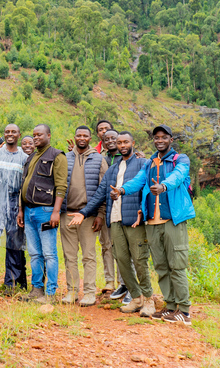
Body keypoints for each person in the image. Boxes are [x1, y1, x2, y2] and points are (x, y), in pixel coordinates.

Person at [113, 125, 195, 325]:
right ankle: (170, 306)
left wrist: (164, 185)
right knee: (161, 266)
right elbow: (139, 181)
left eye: (163, 137)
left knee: (177, 265)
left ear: (171, 139)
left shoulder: (180, 159)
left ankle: (183, 311)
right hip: (152, 222)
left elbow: (178, 176)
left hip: (172, 221)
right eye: (156, 138)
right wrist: (122, 190)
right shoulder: (150, 162)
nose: (159, 140)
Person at [68, 131, 154, 316]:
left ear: (132, 143)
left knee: (139, 260)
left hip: (134, 221)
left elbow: (146, 189)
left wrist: (143, 211)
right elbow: (100, 192)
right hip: (115, 220)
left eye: (125, 142)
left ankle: (149, 300)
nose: (122, 145)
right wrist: (84, 213)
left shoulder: (142, 163)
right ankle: (136, 297)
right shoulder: (113, 168)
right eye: (119, 142)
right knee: (121, 260)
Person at [17, 124, 67, 304]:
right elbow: (24, 184)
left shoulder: (57, 156)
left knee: (49, 253)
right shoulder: (32, 156)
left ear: (49, 135)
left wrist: (56, 211)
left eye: (40, 135)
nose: (36, 137)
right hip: (29, 211)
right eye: (34, 135)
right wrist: (21, 210)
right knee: (34, 253)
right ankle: (36, 290)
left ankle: (51, 293)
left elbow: (61, 186)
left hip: (46, 211)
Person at [59, 126, 108, 306]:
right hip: (67, 214)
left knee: (88, 255)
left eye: (85, 136)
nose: (81, 138)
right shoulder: (64, 158)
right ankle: (72, 292)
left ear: (90, 138)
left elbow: (103, 189)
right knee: (69, 255)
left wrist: (100, 214)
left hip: (89, 215)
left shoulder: (99, 159)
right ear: (75, 137)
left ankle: (89, 293)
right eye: (78, 135)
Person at [0, 124, 29, 293]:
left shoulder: (25, 157)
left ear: (19, 134)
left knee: (14, 244)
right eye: (7, 132)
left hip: (16, 201)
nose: (10, 134)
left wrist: (22, 208)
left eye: (13, 132)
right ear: (4, 134)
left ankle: (11, 283)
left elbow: (25, 185)